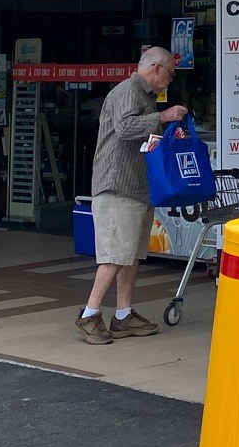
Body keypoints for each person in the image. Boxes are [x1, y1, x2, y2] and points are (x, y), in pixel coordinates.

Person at [76, 46, 187, 345]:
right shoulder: (128, 91)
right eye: (170, 74)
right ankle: (89, 313)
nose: (171, 80)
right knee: (114, 255)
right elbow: (124, 128)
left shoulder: (146, 96)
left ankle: (123, 315)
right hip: (117, 186)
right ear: (156, 69)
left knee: (131, 255)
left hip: (136, 186)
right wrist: (163, 117)